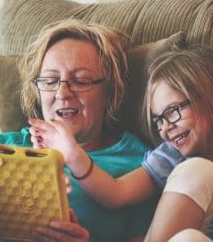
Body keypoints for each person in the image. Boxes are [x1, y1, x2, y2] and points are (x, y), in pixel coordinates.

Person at [0, 19, 157, 242]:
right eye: (50, 80)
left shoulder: (139, 164)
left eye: (81, 80)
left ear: (110, 90)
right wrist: (10, 190)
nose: (62, 93)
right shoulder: (4, 145)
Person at [30, 47, 213, 241]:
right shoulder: (172, 155)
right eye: (158, 120)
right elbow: (116, 193)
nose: (165, 129)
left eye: (172, 111)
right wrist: (73, 154)